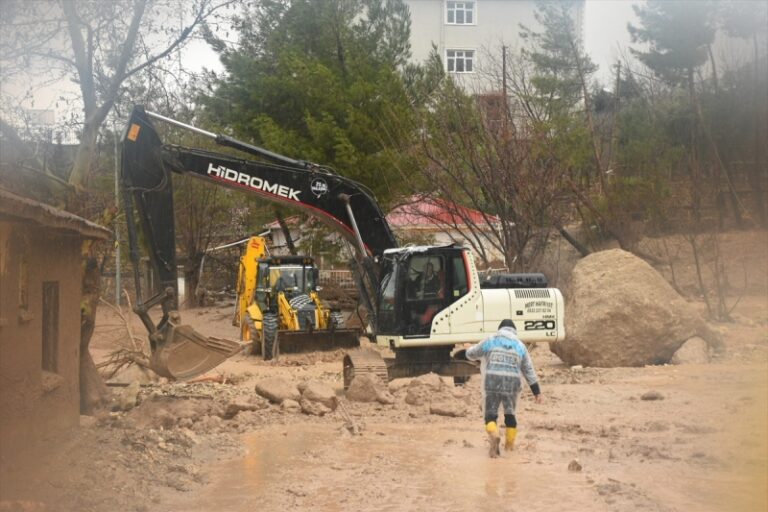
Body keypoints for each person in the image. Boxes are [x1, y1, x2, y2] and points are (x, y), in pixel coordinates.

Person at [465, 319, 542, 458]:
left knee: (490, 415)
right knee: (510, 414)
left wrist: (467, 348)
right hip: (512, 384)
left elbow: (472, 354)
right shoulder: (520, 346)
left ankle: (494, 435)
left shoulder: (491, 340)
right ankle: (509, 448)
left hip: (492, 382)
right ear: (514, 331)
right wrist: (536, 391)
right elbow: (528, 370)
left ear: (500, 329)